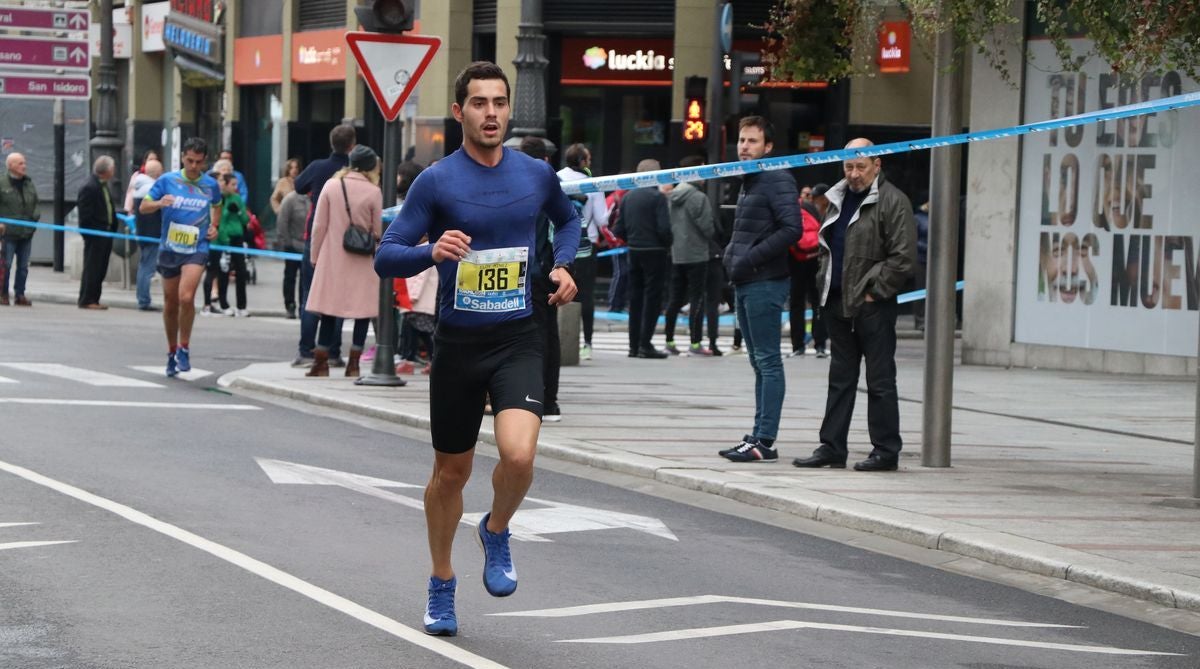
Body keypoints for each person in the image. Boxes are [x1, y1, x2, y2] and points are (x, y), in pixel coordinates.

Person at [374, 61, 580, 638]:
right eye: (479, 103)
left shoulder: (536, 174)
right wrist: (431, 251)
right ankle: (442, 581)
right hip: (460, 343)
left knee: (518, 457)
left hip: (519, 335)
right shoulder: (436, 181)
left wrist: (563, 265)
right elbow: (387, 254)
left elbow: (569, 221)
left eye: (499, 102)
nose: (491, 113)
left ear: (508, 109)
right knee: (451, 472)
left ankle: (495, 529)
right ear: (460, 110)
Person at [793, 138, 916, 472]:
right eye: (849, 166)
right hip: (836, 301)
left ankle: (886, 450)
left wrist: (873, 292)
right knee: (840, 378)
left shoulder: (892, 201)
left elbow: (903, 258)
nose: (854, 173)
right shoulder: (837, 197)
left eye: (861, 166)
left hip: (871, 304)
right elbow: (828, 247)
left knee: (880, 380)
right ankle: (832, 446)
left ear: (878, 165)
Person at [719, 116, 800, 463]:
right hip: (748, 280)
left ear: (768, 147)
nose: (744, 147)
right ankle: (758, 434)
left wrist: (748, 259)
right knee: (757, 360)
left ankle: (764, 440)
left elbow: (791, 229)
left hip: (765, 281)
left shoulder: (776, 178)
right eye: (741, 140)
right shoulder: (750, 180)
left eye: (752, 141)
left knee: (767, 361)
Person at [140, 137, 223, 377]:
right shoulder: (167, 181)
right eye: (190, 161)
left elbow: (217, 204)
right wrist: (158, 203)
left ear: (205, 161)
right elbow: (144, 207)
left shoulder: (210, 185)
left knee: (186, 297)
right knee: (170, 302)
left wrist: (214, 226)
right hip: (170, 247)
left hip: (197, 248)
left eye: (198, 162)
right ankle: (171, 350)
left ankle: (184, 347)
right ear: (182, 158)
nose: (194, 166)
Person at [305, 145, 383, 378]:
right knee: (362, 311)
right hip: (363, 259)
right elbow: (377, 230)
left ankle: (321, 363)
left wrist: (315, 255)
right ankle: (354, 364)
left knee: (329, 310)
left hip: (332, 257)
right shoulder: (373, 191)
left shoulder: (331, 185)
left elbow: (319, 226)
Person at [293, 125, 356, 368]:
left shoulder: (318, 168)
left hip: (316, 238)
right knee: (337, 297)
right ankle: (332, 350)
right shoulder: (353, 172)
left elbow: (299, 186)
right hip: (343, 241)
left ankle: (306, 349)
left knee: (311, 295)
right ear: (352, 145)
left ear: (332, 143)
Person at [519, 135, 563, 421]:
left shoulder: (519, 181)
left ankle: (534, 399)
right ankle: (548, 400)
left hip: (523, 271)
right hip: (545, 271)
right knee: (547, 335)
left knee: (530, 338)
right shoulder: (549, 184)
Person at [613, 159, 671, 359]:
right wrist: (667, 243)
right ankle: (646, 343)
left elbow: (618, 228)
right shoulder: (658, 198)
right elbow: (664, 228)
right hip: (655, 250)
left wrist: (632, 238)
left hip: (634, 250)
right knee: (652, 297)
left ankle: (633, 345)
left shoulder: (628, 197)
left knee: (635, 297)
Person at [661, 155, 717, 356]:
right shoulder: (699, 197)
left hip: (677, 254)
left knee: (674, 299)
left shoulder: (672, 196)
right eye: (702, 169)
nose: (705, 174)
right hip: (697, 254)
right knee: (696, 298)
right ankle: (695, 343)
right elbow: (707, 229)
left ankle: (669, 340)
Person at [556, 143, 606, 361]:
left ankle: (557, 338)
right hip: (586, 245)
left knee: (556, 291)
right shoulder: (592, 183)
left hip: (557, 243)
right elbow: (602, 218)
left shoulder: (555, 178)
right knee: (586, 295)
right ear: (583, 162)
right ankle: (587, 343)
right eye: (589, 159)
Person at [787, 181, 826, 357]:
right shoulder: (812, 208)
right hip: (814, 257)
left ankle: (798, 345)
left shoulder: (788, 208)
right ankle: (820, 345)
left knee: (796, 303)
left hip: (795, 259)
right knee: (817, 302)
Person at [77, 156, 120, 310]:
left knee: (100, 268)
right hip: (96, 235)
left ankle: (94, 298)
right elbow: (85, 215)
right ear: (107, 170)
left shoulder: (102, 185)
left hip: (106, 233)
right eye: (112, 168)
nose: (114, 171)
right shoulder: (90, 187)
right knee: (92, 268)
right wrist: (92, 232)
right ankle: (87, 299)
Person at [0, 153, 39, 306]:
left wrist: (34, 220)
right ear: (10, 166)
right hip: (8, 233)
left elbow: (36, 202)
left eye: (24, 163)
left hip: (26, 232)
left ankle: (20, 294)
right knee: (6, 265)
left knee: (23, 267)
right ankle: (3, 294)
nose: (24, 166)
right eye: (20, 163)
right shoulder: (2, 183)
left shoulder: (28, 183)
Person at [214, 173, 251, 317]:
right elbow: (220, 220)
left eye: (236, 185)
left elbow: (245, 219)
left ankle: (242, 306)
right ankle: (224, 304)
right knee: (224, 272)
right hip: (225, 239)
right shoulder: (221, 199)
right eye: (233, 184)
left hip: (238, 238)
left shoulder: (237, 199)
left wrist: (240, 211)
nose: (235, 188)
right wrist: (224, 239)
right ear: (226, 184)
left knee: (241, 272)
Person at [130, 159, 164, 311]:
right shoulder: (153, 189)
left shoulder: (140, 187)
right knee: (147, 268)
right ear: (157, 173)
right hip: (152, 233)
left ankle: (142, 298)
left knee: (144, 266)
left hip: (143, 232)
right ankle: (144, 300)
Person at [276, 189, 308, 319]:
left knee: (305, 278)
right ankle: (290, 305)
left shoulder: (316, 198)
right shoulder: (290, 199)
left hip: (308, 246)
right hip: (293, 245)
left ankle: (303, 307)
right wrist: (288, 242)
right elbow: (282, 221)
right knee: (290, 276)